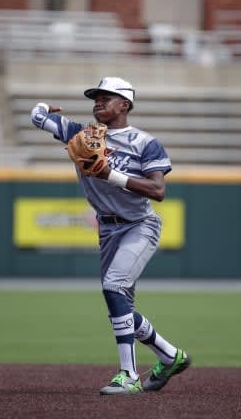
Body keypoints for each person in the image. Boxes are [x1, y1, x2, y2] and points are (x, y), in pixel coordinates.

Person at [30, 77, 191, 395]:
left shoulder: (145, 143)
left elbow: (158, 190)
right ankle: (170, 356)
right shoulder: (81, 134)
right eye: (96, 98)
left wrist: (110, 174)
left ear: (125, 105)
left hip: (139, 225)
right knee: (121, 305)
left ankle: (128, 376)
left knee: (113, 287)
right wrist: (44, 108)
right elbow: (36, 117)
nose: (98, 102)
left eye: (107, 97)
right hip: (107, 228)